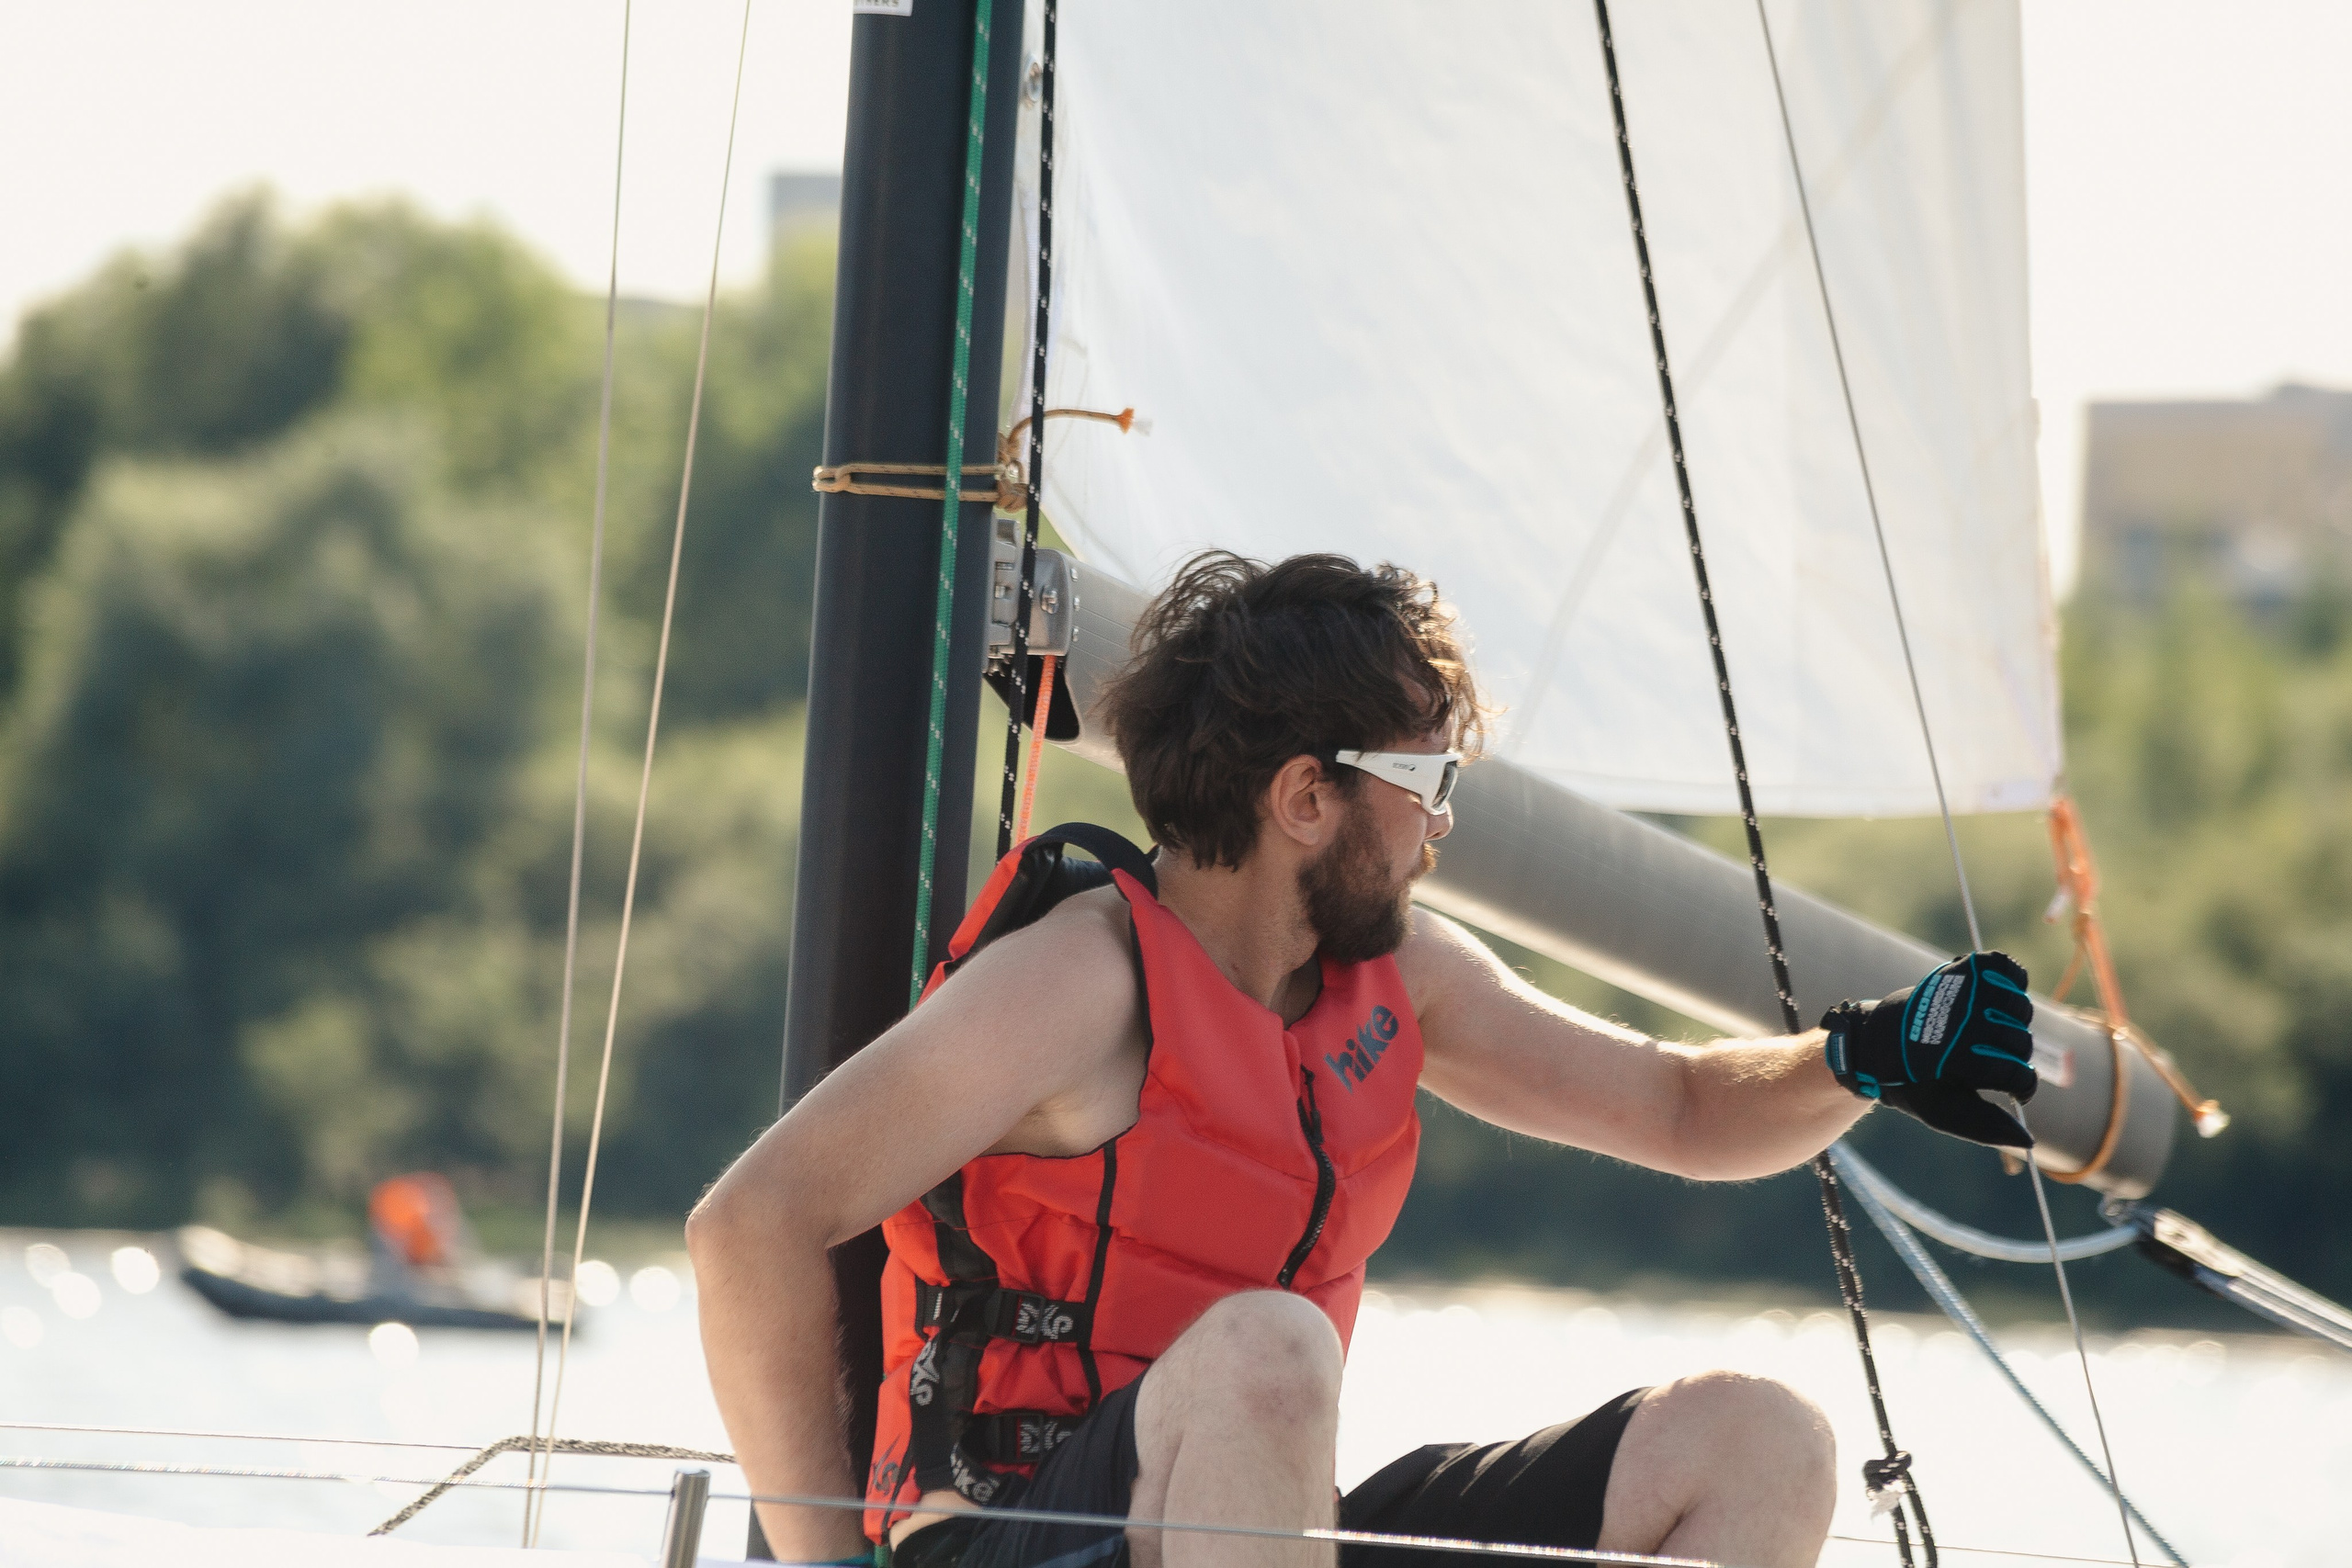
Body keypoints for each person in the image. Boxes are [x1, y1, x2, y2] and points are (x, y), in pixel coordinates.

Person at [688, 554, 2038, 1568]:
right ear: (1304, 796)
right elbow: (748, 1226)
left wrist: (1864, 1056)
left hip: (1252, 1526)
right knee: (1273, 1353)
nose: (1441, 828)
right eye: (1427, 783)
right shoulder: (1077, 980)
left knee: (1760, 1440)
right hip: (1006, 1530)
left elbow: (1679, 1108)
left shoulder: (1400, 978)